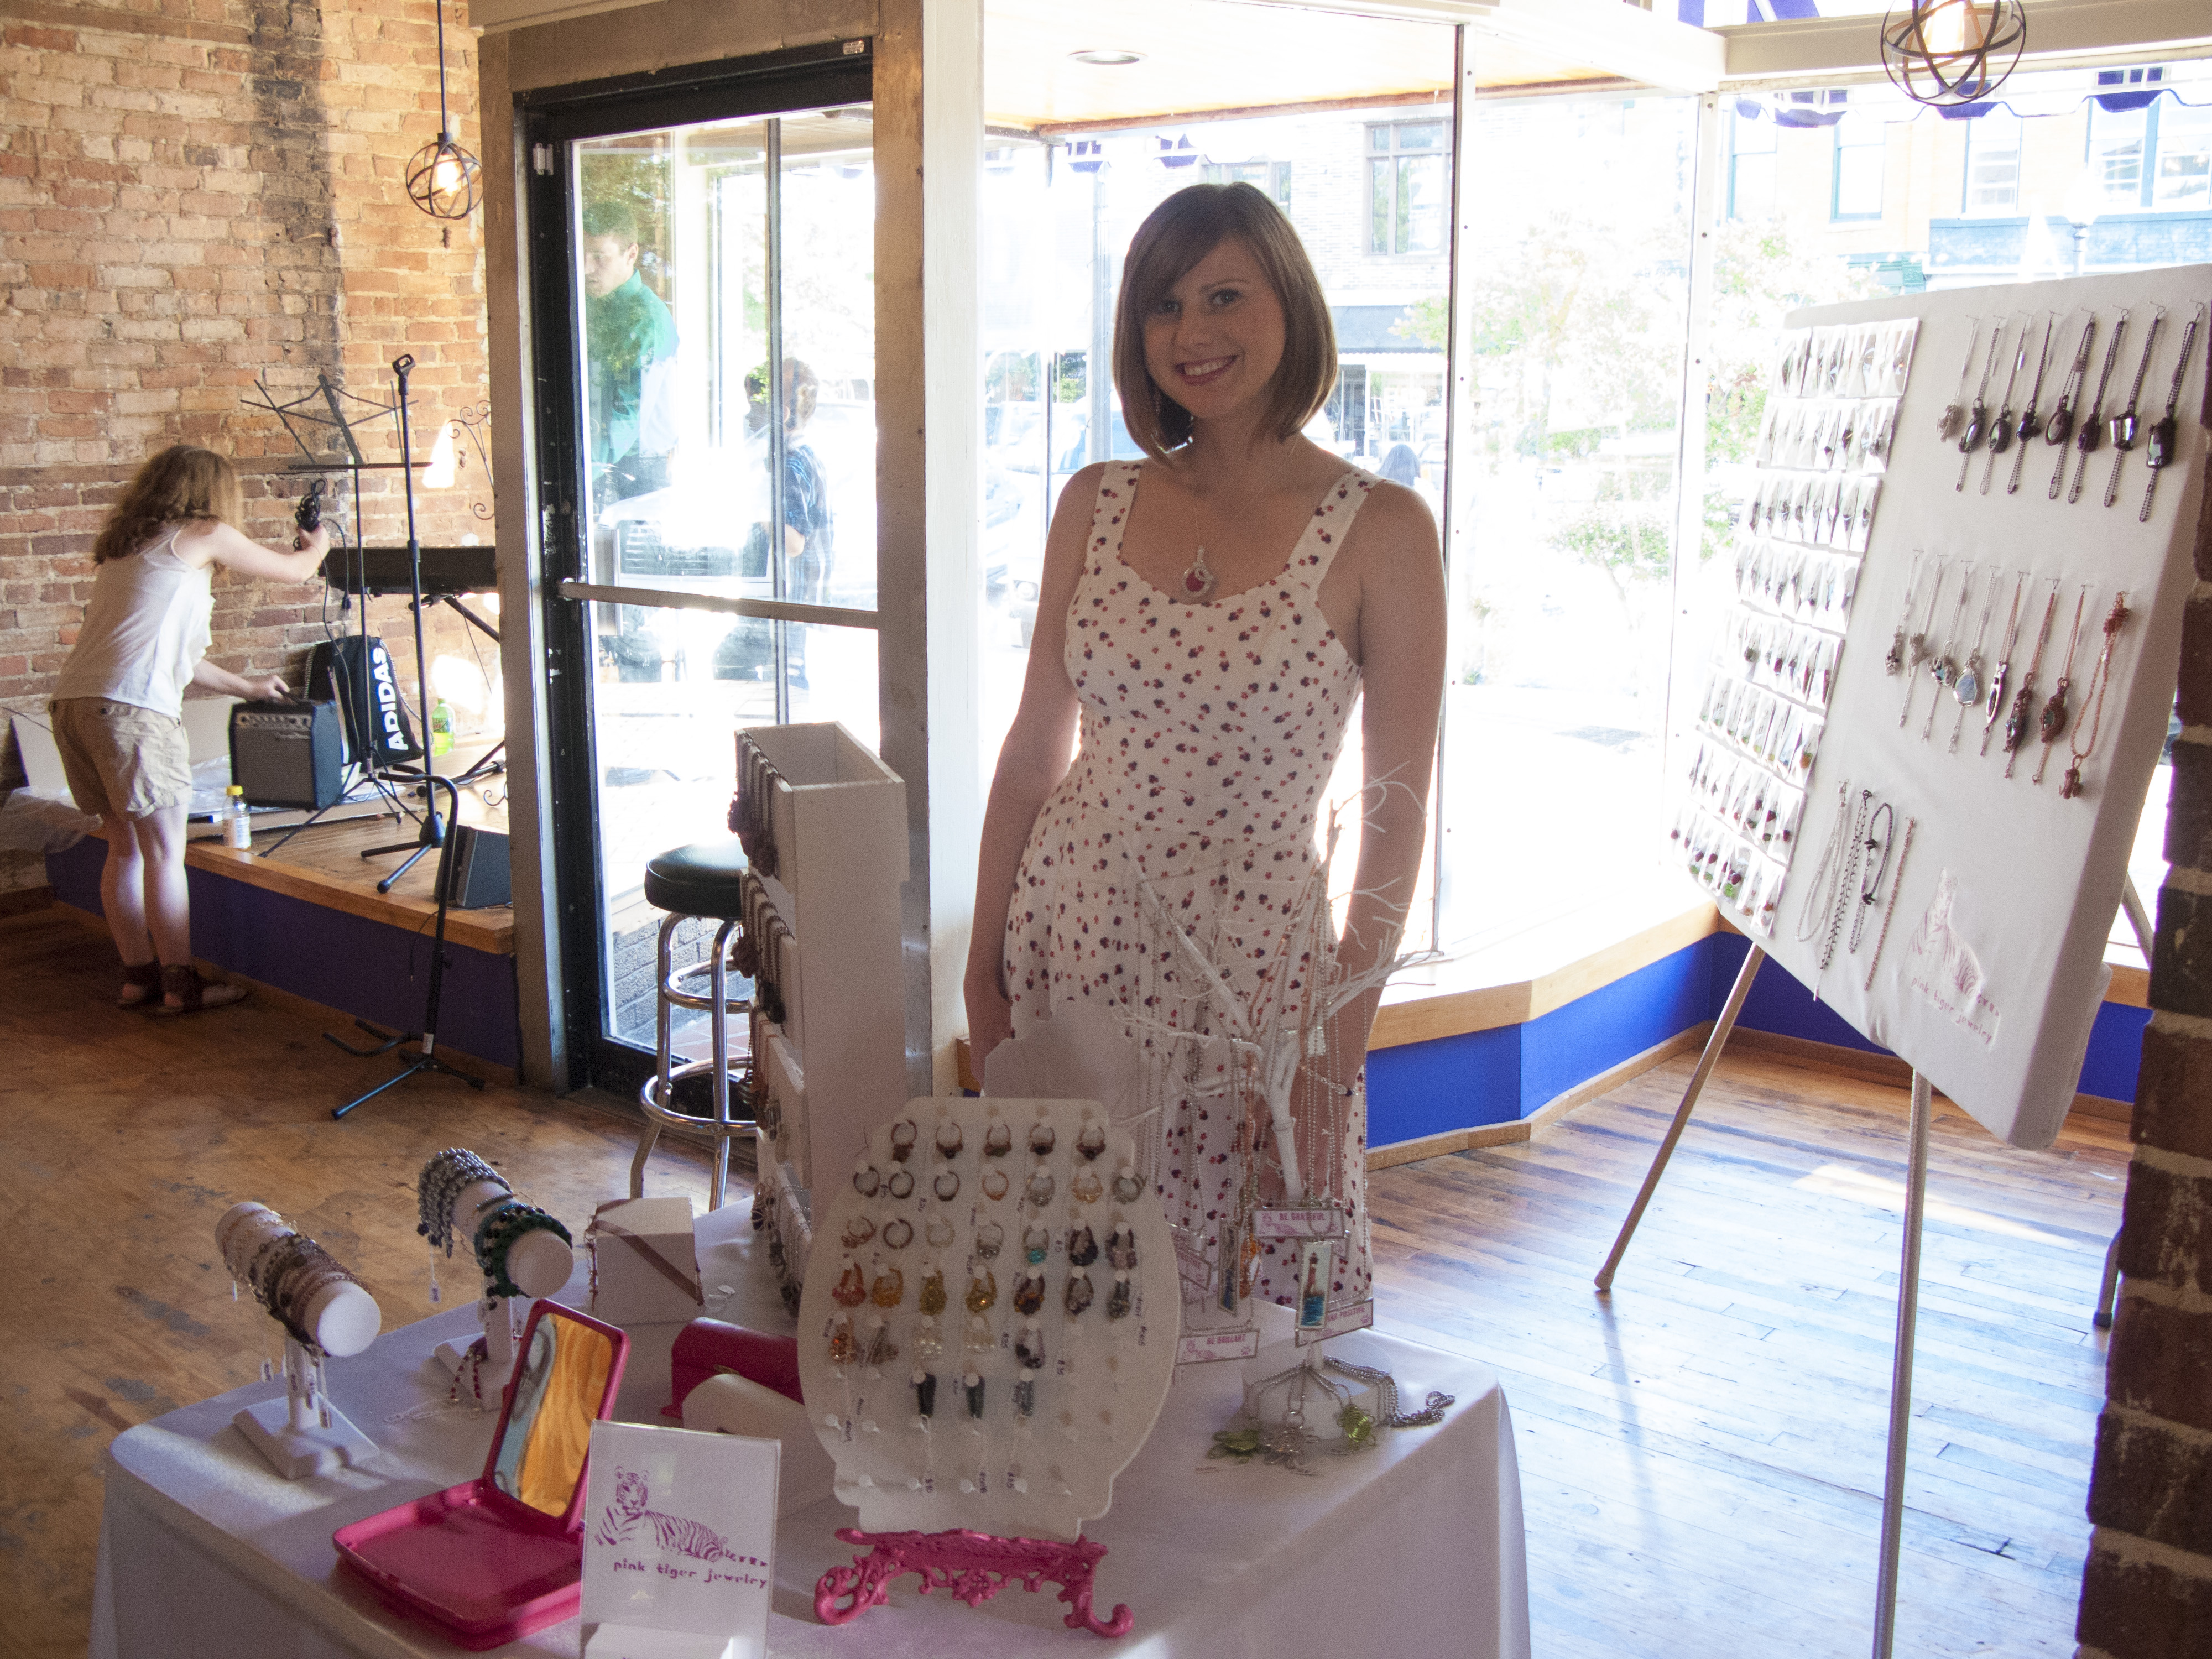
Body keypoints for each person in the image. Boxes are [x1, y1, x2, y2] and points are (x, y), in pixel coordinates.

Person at [964, 183, 1447, 1319]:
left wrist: (1340, 1037)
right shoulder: (1095, 501)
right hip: (1069, 948)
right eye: (1163, 305)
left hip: (1248, 978)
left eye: (1224, 295)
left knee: (1245, 1311)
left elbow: (1395, 805)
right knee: (1066, 1299)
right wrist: (980, 971)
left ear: (1290, 303)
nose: (1192, 333)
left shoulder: (1380, 526)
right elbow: (1034, 751)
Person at [50, 445, 328, 1013]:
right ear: (212, 492)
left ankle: (138, 978)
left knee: (125, 851)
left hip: (77, 707)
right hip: (131, 714)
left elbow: (174, 659)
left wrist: (247, 688)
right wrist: (320, 542)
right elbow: (299, 570)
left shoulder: (128, 550)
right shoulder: (203, 531)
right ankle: (182, 985)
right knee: (162, 855)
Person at [580, 200, 680, 502]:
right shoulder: (595, 304)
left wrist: (580, 472)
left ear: (631, 254)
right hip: (606, 460)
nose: (586, 269)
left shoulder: (645, 320)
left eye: (600, 257)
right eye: (583, 256)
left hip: (638, 472)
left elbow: (628, 413)